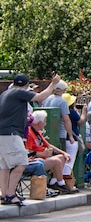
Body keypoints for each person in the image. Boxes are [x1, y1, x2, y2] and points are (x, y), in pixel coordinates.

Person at [1, 73, 61, 206]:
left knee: (4, 165)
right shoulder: (19, 92)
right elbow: (40, 97)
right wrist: (53, 84)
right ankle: (11, 194)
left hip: (2, 133)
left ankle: (5, 194)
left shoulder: (5, 94)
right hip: (11, 133)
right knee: (22, 162)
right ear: (26, 86)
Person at [40, 79, 81, 193]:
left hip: (48, 132)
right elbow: (66, 120)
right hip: (60, 133)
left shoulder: (46, 99)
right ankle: (58, 181)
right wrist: (71, 136)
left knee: (51, 157)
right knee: (62, 157)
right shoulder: (62, 102)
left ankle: (53, 180)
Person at [24, 109, 74, 194]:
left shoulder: (37, 132)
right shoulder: (29, 133)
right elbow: (28, 151)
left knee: (62, 157)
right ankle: (61, 183)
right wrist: (42, 154)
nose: (45, 123)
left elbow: (48, 145)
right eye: (44, 121)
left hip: (42, 158)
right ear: (39, 122)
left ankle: (53, 182)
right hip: (34, 160)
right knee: (56, 161)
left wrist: (63, 153)